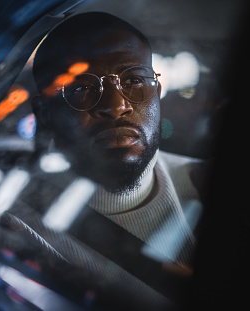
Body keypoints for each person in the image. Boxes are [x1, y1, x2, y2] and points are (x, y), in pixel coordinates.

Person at [28, 12, 206, 267]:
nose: (116, 105)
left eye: (134, 80)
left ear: (156, 93)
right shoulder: (18, 221)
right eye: (82, 88)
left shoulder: (205, 185)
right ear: (45, 114)